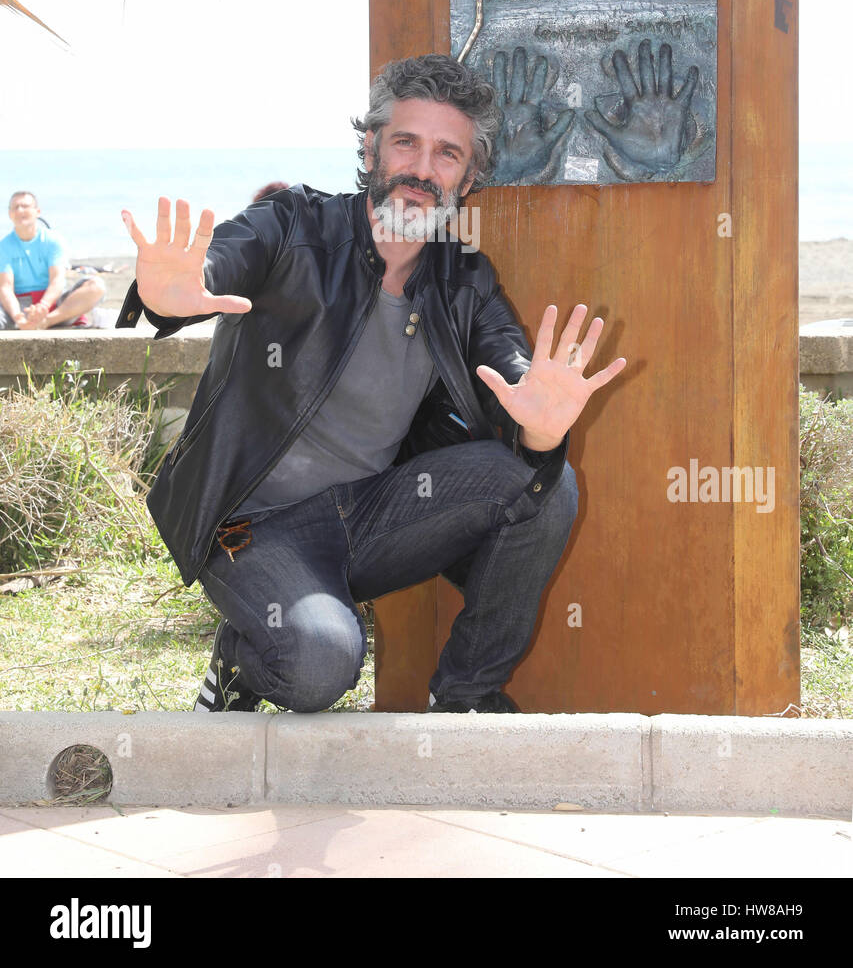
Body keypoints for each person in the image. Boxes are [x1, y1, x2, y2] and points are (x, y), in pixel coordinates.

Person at [116, 54, 627, 715]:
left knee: (545, 479)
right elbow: (219, 265)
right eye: (405, 142)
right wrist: (173, 294)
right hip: (251, 525)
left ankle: (465, 696)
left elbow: (511, 369)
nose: (421, 168)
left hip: (370, 517)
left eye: (447, 154)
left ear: (469, 177)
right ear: (371, 148)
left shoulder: (462, 278)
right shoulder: (292, 225)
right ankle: (240, 660)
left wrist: (540, 425)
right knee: (317, 670)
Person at [0, 191, 106, 331]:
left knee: (96, 286)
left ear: (37, 211)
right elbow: (6, 288)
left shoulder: (53, 241)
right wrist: (18, 317)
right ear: (9, 214)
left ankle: (47, 322)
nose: (20, 210)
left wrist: (43, 307)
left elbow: (57, 280)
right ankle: (25, 324)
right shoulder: (4, 246)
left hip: (54, 305)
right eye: (15, 207)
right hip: (18, 307)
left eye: (25, 206)